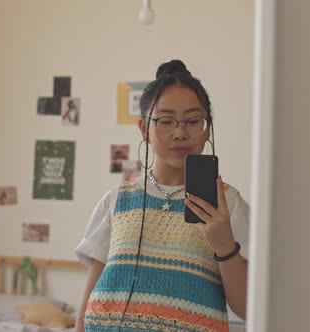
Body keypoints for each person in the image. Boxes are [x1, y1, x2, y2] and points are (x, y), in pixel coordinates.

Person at [75, 60, 249, 332]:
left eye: (193, 121)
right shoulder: (116, 199)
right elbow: (92, 289)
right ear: (144, 129)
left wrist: (225, 245)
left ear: (207, 129)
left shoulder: (228, 204)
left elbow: (248, 308)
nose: (180, 132)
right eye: (166, 121)